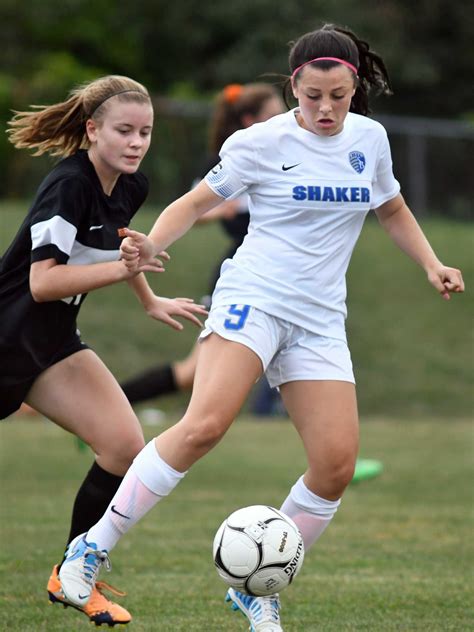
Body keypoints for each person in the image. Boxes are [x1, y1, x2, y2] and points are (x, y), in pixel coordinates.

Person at [58, 25, 464, 631]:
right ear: (293, 86)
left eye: (339, 96)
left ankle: (258, 588)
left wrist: (432, 263)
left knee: (335, 466)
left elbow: (392, 207)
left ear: (355, 87)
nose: (326, 109)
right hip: (255, 297)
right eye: (313, 96)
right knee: (204, 425)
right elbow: (194, 203)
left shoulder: (371, 140)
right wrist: (149, 244)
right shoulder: (260, 142)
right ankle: (89, 549)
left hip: (321, 318)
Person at [0, 75, 207, 626]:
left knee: (122, 444)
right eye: (124, 131)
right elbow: (43, 282)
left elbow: (120, 246)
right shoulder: (66, 184)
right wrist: (124, 270)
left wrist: (148, 298)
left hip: (51, 344)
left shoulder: (130, 187)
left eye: (145, 132)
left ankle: (72, 574)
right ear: (92, 130)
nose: (136, 142)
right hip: (4, 336)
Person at [119, 82, 284, 407]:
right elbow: (193, 207)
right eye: (275, 116)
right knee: (191, 374)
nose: (285, 122)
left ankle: (333, 452)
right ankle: (111, 406)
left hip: (287, 273)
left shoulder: (291, 154)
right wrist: (221, 209)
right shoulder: (235, 159)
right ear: (251, 120)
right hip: (245, 270)